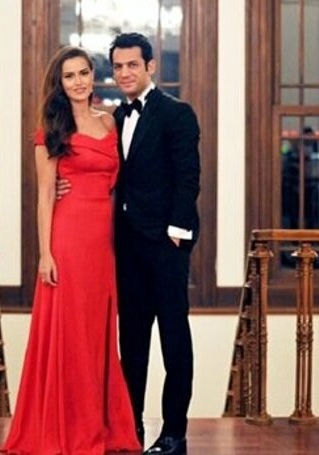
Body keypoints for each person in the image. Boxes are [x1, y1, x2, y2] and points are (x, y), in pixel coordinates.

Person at [59, 33, 200, 455]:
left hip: (167, 246)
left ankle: (174, 435)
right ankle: (129, 429)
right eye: (118, 66)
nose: (124, 73)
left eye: (132, 65)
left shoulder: (177, 113)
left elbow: (188, 178)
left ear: (150, 67)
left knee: (174, 341)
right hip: (124, 247)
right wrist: (66, 184)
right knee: (132, 344)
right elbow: (100, 171)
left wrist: (176, 233)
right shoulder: (114, 118)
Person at [0, 46, 141, 455]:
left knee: (96, 334)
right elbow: (45, 195)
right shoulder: (51, 128)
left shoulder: (110, 121)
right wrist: (45, 254)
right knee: (71, 332)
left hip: (104, 241)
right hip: (69, 237)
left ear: (93, 76)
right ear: (59, 84)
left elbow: (118, 183)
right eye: (69, 76)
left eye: (83, 73)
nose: (78, 82)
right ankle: (68, 429)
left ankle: (98, 424)